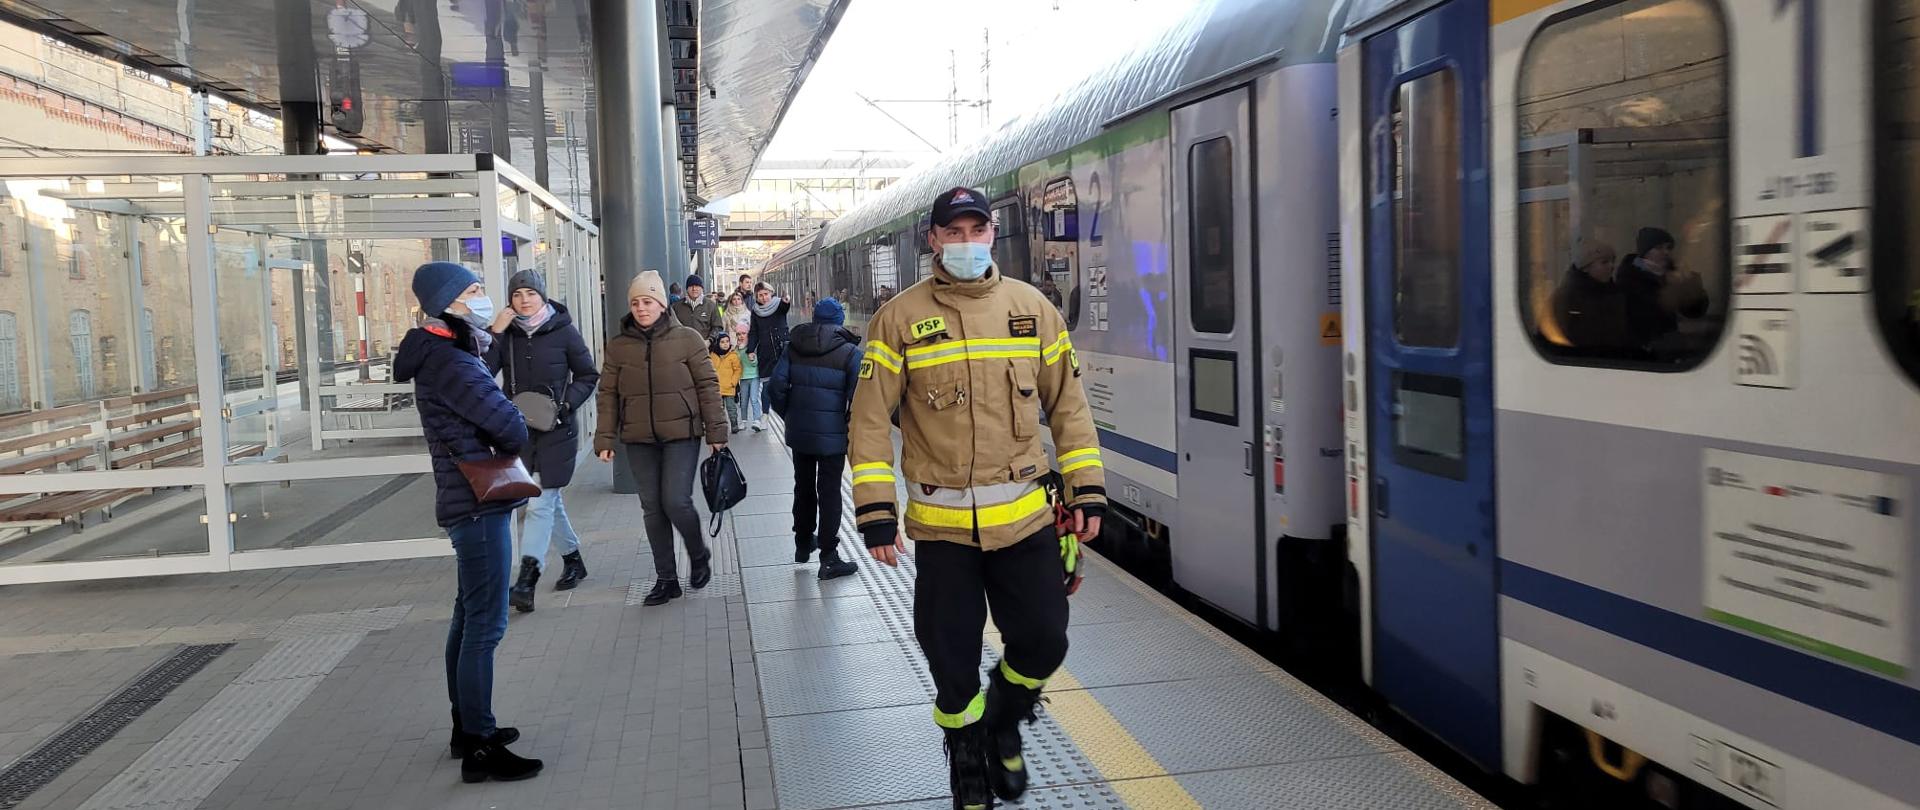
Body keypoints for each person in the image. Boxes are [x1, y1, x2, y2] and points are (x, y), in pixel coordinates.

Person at [849, 187, 1106, 809]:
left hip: (1025, 523)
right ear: (932, 240)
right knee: (950, 660)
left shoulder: (1033, 310)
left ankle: (1006, 718)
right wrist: (877, 511)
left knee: (1045, 641)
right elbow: (868, 418)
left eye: (977, 230)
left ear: (993, 234)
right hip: (942, 533)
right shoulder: (900, 318)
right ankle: (966, 760)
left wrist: (1088, 490)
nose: (966, 243)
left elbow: (1068, 408)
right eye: (953, 232)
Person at [393, 261, 542, 783]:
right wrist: (514, 422)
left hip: (468, 501)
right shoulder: (451, 361)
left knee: (468, 615)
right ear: (449, 302)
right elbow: (509, 425)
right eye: (475, 290)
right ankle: (479, 743)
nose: (484, 298)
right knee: (486, 624)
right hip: (477, 504)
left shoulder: (444, 353)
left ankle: (466, 728)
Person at [594, 270, 729, 606]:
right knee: (652, 507)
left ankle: (698, 554)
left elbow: (708, 388)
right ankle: (666, 579)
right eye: (636, 302)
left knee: (675, 501)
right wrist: (604, 438)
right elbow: (607, 393)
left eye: (648, 301)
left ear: (661, 304)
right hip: (639, 436)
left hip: (682, 433)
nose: (642, 308)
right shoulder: (619, 347)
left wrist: (717, 432)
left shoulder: (687, 339)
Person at [485, 269, 600, 614]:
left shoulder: (563, 331)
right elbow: (482, 372)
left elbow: (588, 375)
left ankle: (527, 580)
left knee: (540, 502)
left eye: (530, 294)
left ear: (543, 296)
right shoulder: (507, 335)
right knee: (548, 502)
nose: (524, 300)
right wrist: (495, 332)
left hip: (558, 429)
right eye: (517, 295)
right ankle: (574, 560)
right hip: (520, 430)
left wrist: (567, 404)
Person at [766, 297, 862, 580]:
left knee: (803, 486)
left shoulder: (794, 347)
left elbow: (776, 387)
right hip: (833, 436)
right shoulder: (849, 352)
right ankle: (829, 557)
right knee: (829, 492)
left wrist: (792, 415)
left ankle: (803, 541)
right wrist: (844, 423)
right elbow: (858, 399)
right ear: (839, 320)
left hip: (801, 433)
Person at [1614, 226, 1709, 354]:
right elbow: (1651, 308)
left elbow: (1695, 312)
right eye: (1659, 248)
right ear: (1645, 252)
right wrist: (1673, 288)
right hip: (1642, 349)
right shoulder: (1630, 276)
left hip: (1670, 345)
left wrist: (1692, 287)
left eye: (1668, 247)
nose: (1666, 252)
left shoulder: (1673, 272)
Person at [743, 282, 792, 432]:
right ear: (756, 297)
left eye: (766, 294)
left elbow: (785, 308)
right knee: (766, 385)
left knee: (786, 383)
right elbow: (754, 332)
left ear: (771, 293)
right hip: (765, 352)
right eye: (760, 295)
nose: (764, 298)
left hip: (782, 351)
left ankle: (789, 416)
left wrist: (786, 300)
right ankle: (764, 417)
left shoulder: (779, 305)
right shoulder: (756, 311)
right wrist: (750, 349)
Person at [672, 274, 724, 339]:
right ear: (687, 289)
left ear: (702, 288)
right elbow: (671, 327)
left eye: (697, 286)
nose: (694, 289)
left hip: (705, 347)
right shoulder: (676, 306)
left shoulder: (711, 305)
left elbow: (718, 327)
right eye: (691, 286)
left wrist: (709, 341)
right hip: (683, 346)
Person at [711, 331, 744, 432]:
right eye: (722, 342)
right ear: (718, 343)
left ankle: (734, 425)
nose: (725, 344)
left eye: (727, 341)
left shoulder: (732, 355)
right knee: (719, 410)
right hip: (717, 388)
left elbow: (738, 370)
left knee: (731, 408)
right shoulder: (713, 355)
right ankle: (721, 426)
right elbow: (710, 369)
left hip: (729, 387)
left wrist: (733, 382)